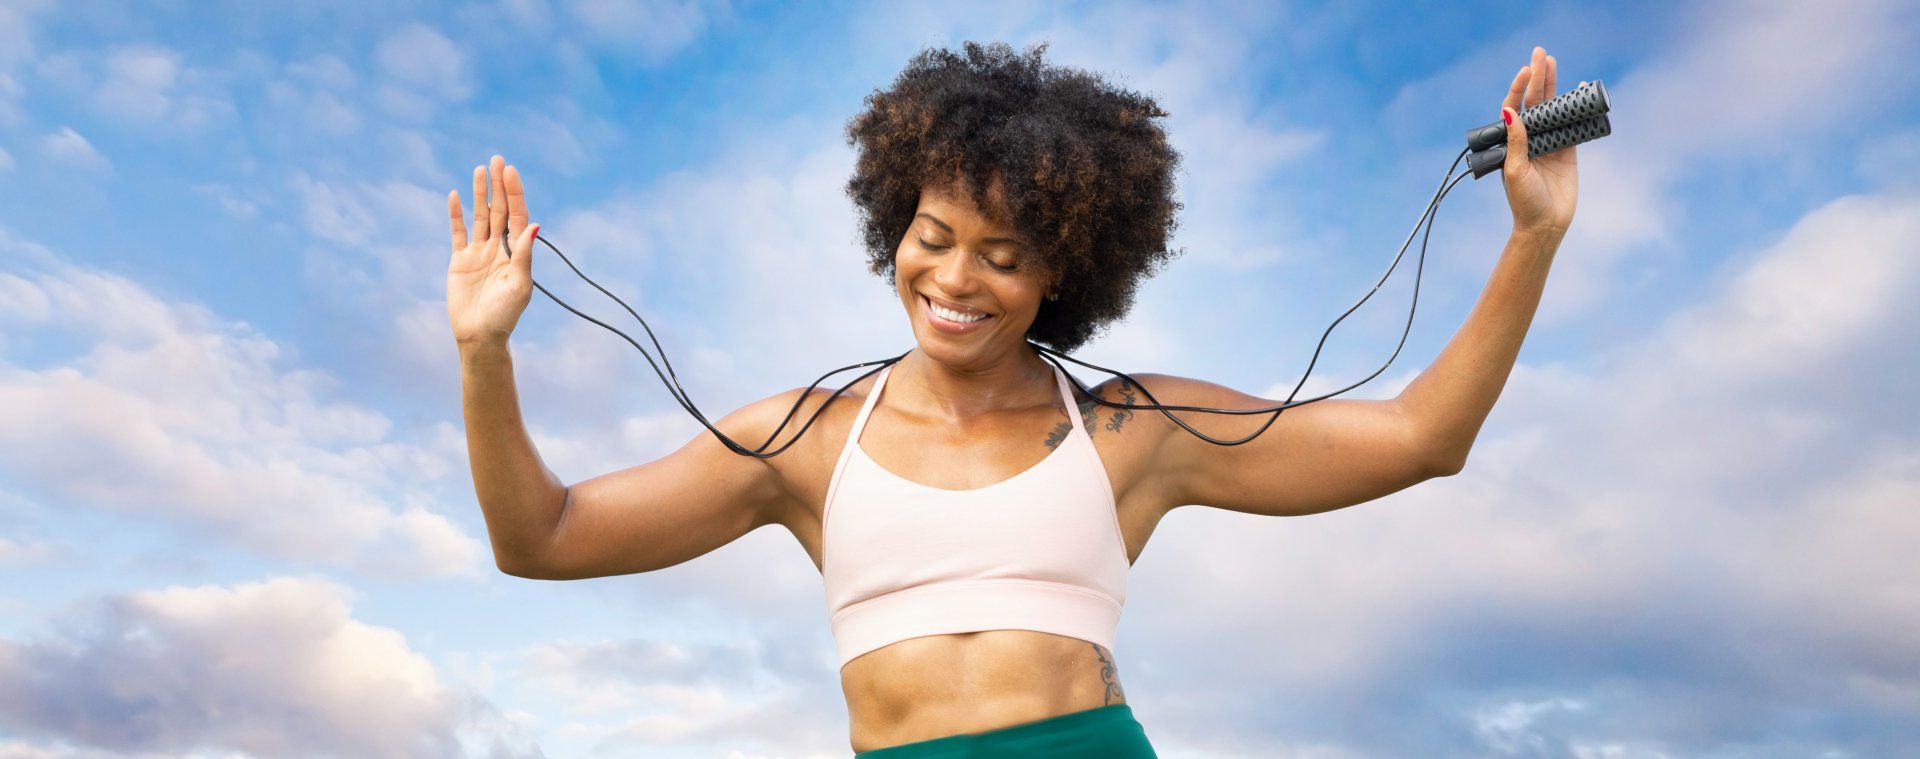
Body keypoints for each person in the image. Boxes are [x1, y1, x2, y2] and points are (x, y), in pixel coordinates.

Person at [446, 41, 1576, 758]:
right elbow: (540, 541)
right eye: (933, 239)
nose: (954, 281)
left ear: (1063, 275)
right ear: (894, 227)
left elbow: (1422, 438)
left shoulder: (1133, 431)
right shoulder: (800, 440)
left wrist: (1533, 237)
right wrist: (486, 354)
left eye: (1003, 255)